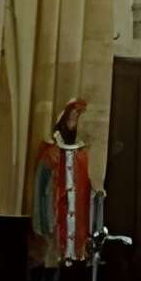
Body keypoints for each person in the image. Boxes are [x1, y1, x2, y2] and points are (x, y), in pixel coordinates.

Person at [30, 98, 93, 266]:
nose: (74, 123)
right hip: (56, 220)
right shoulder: (51, 154)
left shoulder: (84, 156)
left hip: (78, 223)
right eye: (71, 118)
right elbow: (41, 188)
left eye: (77, 119)